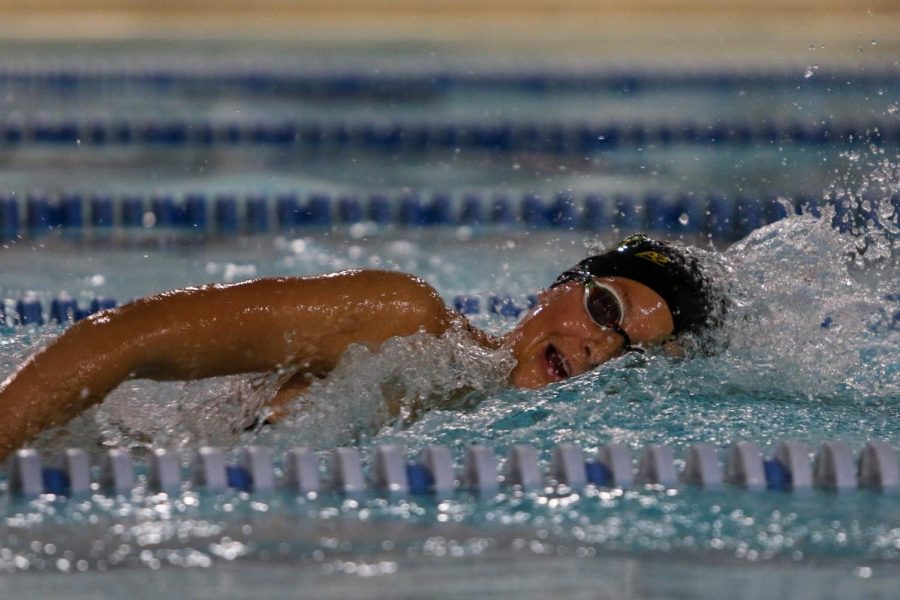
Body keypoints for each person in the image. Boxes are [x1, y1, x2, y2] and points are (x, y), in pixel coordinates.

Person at [0, 234, 722, 458]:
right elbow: (125, 338)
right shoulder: (402, 322)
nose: (599, 345)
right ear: (554, 289)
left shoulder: (504, 443)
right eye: (603, 308)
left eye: (626, 349)